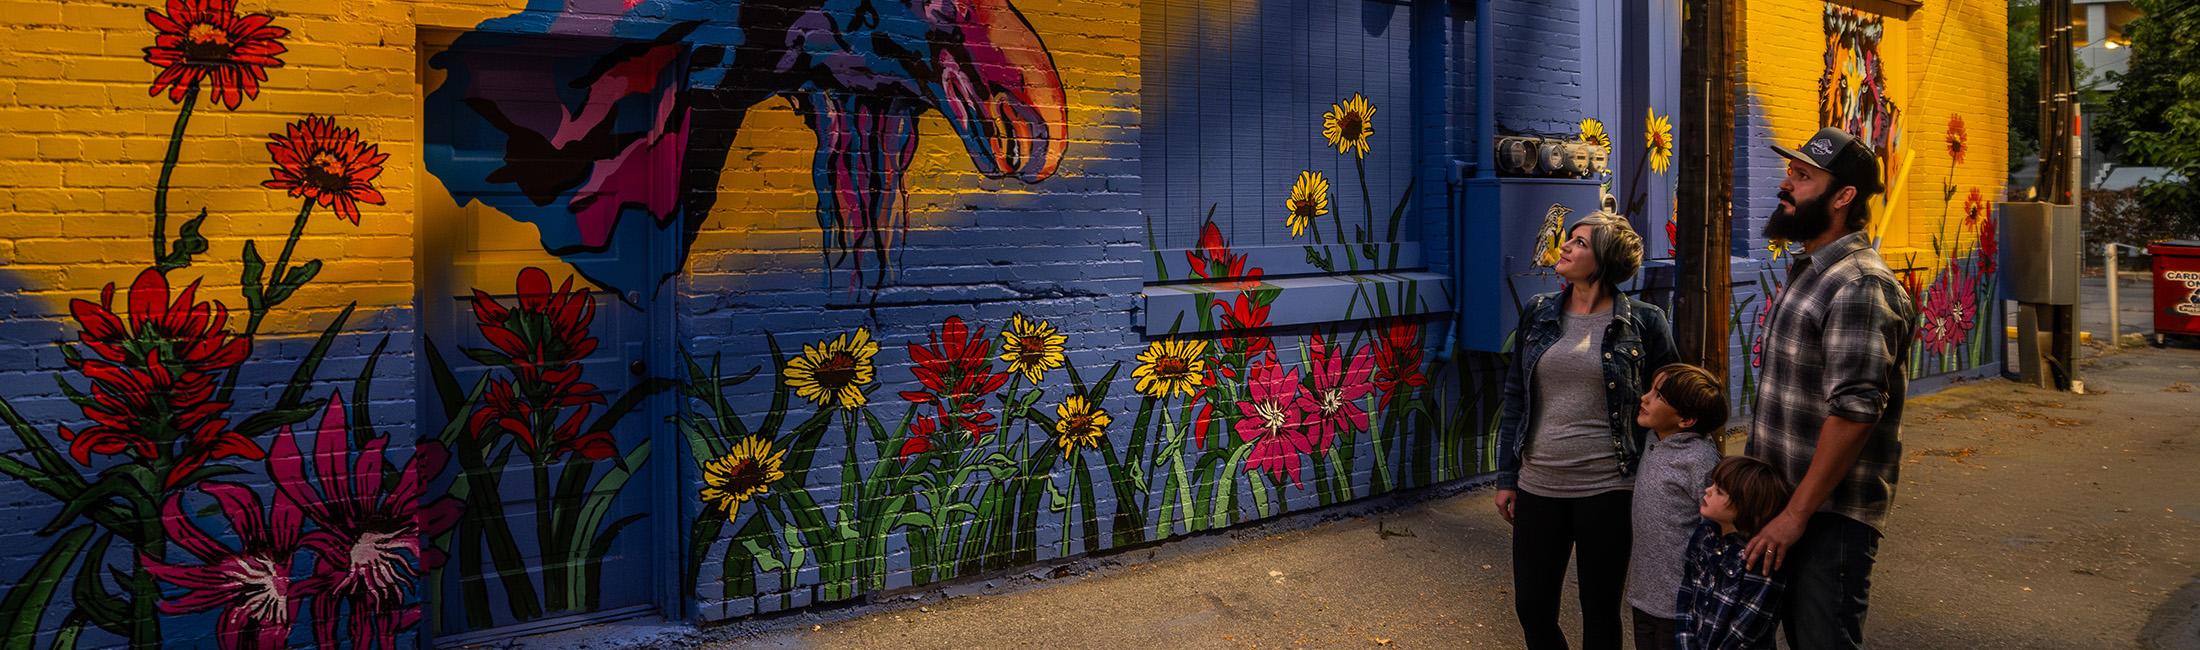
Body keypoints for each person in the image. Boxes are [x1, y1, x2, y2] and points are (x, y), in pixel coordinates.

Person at [1744, 126, 1918, 650]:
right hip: (1783, 507)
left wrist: (1795, 517)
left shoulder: (1860, 284)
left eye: (1802, 175)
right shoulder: (1813, 272)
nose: (1786, 184)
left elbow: (1855, 412)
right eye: (1790, 172)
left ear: (1843, 197)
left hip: (1826, 521)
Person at [1495, 210, 1679, 650]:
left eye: (1579, 243)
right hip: (1539, 482)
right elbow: (1516, 396)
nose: (1566, 246)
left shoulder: (1646, 322)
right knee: (1533, 608)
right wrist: (1507, 477)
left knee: (1599, 611)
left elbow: (1672, 399)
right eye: (1570, 238)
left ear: (1605, 260)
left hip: (1609, 487)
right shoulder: (1539, 313)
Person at [1625, 363, 1729, 650]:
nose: (1644, 398)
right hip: (1644, 593)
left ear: (1685, 419)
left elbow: (1719, 528)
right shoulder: (1654, 437)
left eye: (1658, 396)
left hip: (1680, 605)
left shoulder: (1699, 460)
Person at [1675, 456, 1796, 650]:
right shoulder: (1703, 536)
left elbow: (1747, 628)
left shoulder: (1759, 558)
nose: (1708, 491)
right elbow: (1686, 594)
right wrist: (1685, 643)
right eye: (1712, 484)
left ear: (1747, 506)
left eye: (1719, 491)